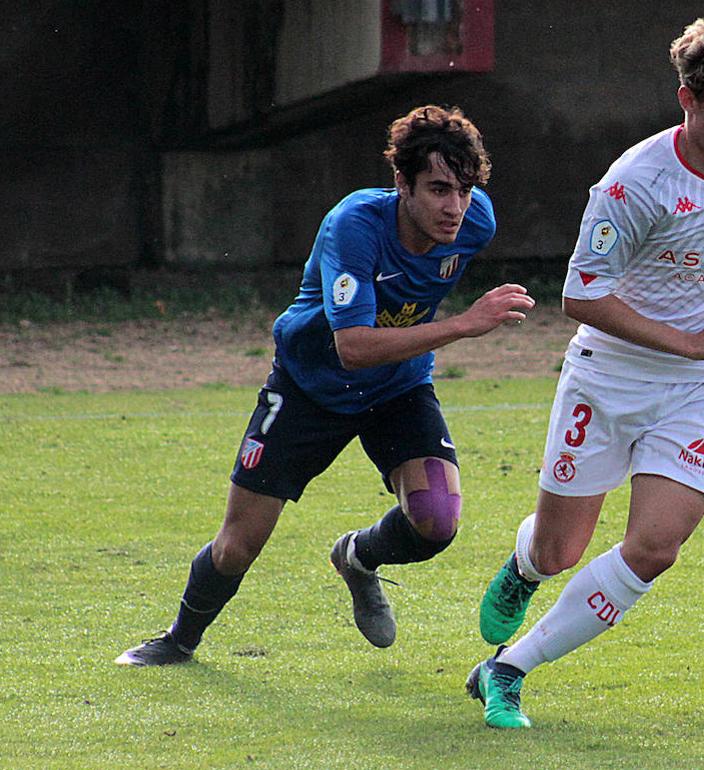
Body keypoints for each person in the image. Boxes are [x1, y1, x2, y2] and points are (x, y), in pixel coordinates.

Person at [116, 104, 534, 666]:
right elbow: (353, 347)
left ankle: (357, 557)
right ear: (401, 185)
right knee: (238, 546)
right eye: (437, 189)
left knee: (438, 520)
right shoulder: (356, 225)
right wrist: (463, 325)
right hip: (309, 386)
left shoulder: (475, 222)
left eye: (464, 189)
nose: (454, 207)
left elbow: (388, 341)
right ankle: (179, 639)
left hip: (397, 388)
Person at [465, 17, 704, 728]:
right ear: (689, 99)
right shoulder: (633, 183)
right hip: (608, 377)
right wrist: (685, 338)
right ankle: (524, 567)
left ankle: (509, 668)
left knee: (656, 545)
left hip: (699, 386)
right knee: (561, 551)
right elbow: (579, 295)